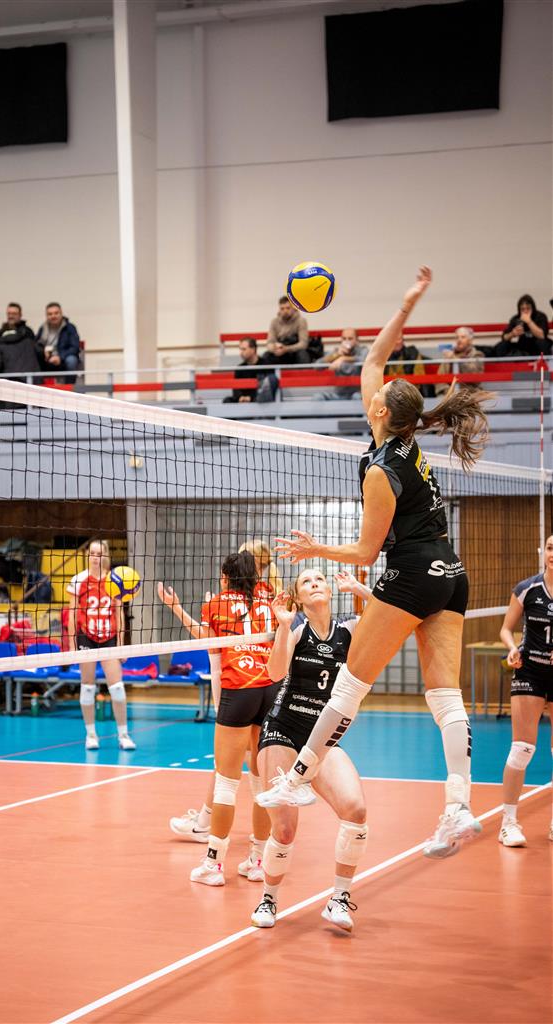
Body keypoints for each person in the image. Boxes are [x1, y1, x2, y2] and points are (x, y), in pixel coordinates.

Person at [257, 266, 493, 860]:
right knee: (445, 696)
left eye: (378, 396)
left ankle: (299, 778)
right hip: (452, 574)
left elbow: (365, 554)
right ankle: (459, 807)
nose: (372, 393)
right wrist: (407, 304)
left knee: (351, 684)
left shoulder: (381, 471)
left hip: (412, 573)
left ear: (382, 413)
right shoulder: (405, 439)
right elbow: (374, 359)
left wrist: (314, 550)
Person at [252, 568, 370, 932]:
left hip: (322, 738)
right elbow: (274, 674)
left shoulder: (349, 630)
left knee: (356, 810)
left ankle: (339, 899)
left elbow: (387, 618)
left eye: (319, 579)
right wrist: (283, 625)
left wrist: (360, 589)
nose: (315, 583)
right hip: (283, 731)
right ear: (299, 597)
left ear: (330, 591)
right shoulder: (297, 629)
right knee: (285, 829)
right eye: (306, 581)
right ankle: (268, 898)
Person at [159, 551, 277, 884]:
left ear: (225, 577)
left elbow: (207, 641)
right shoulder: (268, 605)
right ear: (255, 577)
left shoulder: (217, 604)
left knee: (226, 782)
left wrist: (176, 607)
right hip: (270, 689)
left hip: (239, 689)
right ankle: (258, 860)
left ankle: (214, 865)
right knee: (261, 783)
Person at [497, 535, 553, 847]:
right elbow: (506, 628)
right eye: (550, 547)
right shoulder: (527, 588)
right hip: (530, 670)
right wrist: (511, 648)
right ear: (544, 552)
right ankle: (508, 823)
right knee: (522, 749)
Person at [66, 539, 136, 751]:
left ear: (105, 555)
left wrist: (121, 644)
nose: (95, 557)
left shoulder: (114, 580)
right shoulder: (78, 580)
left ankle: (123, 735)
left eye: (99, 553)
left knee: (117, 687)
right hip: (86, 637)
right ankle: (91, 735)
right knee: (87, 686)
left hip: (109, 638)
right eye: (92, 553)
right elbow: (72, 615)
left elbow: (119, 614)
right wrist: (72, 646)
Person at [0, 303, 39, 381]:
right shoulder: (1, 332)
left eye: (14, 314)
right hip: (6, 370)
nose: (11, 316)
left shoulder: (27, 332)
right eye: (9, 313)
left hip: (25, 372)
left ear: (20, 315)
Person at [222, 338, 278, 404]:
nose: (241, 353)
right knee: (227, 401)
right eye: (240, 349)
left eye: (244, 349)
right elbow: (236, 389)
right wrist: (240, 397)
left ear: (253, 349)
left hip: (259, 400)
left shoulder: (266, 365)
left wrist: (250, 398)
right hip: (242, 400)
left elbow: (266, 389)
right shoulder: (240, 368)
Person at [35, 302, 81, 381]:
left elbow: (74, 347)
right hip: (46, 359)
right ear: (46, 316)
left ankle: (69, 387)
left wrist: (60, 357)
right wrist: (43, 353)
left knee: (71, 360)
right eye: (50, 314)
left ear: (61, 314)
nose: (53, 316)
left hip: (63, 358)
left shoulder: (70, 328)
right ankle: (36, 386)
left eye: (56, 313)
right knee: (32, 360)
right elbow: (36, 345)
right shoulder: (42, 328)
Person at [436, 327, 485, 395]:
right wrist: (447, 391)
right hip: (449, 394)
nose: (459, 340)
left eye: (463, 337)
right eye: (457, 337)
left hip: (470, 394)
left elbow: (475, 377)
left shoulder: (477, 355)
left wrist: (455, 360)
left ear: (470, 340)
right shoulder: (449, 356)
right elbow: (440, 378)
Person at [385, 332, 434, 397]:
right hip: (388, 393)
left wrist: (410, 394)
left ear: (402, 340)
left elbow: (419, 376)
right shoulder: (383, 356)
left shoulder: (413, 353)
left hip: (409, 393)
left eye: (399, 339)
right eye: (393, 339)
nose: (396, 342)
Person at [265, 295, 310, 365]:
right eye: (282, 308)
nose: (285, 311)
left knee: (303, 355)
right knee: (266, 356)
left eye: (288, 308)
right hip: (280, 352)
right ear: (279, 309)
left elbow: (303, 344)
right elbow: (269, 343)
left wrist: (287, 349)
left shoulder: (301, 321)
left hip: (295, 352)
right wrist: (274, 348)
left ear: (293, 308)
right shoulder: (274, 322)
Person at [320, 328, 363, 400]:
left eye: (350, 338)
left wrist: (343, 358)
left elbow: (364, 359)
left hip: (355, 393)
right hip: (338, 394)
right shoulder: (337, 351)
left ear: (356, 340)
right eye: (344, 338)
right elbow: (317, 365)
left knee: (357, 397)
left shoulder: (362, 350)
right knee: (319, 397)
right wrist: (336, 355)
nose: (347, 341)